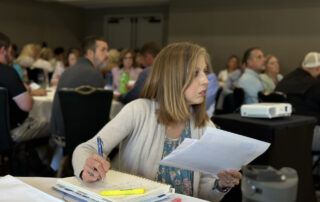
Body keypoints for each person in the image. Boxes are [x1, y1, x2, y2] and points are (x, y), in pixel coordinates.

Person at [72, 42, 242, 201]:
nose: (206, 80)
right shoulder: (138, 111)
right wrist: (87, 166)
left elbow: (200, 193)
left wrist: (220, 185)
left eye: (204, 71)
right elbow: (87, 148)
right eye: (196, 73)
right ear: (174, 77)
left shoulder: (204, 126)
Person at [50, 36, 108, 144]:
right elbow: (98, 115)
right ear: (90, 53)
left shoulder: (67, 72)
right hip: (77, 138)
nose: (107, 54)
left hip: (59, 134)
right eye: (103, 50)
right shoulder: (95, 75)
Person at [0, 32, 49, 142]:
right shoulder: (7, 72)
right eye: (10, 51)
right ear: (3, 50)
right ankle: (51, 159)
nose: (11, 54)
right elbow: (27, 106)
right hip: (12, 131)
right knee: (53, 127)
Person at [275, 52, 320, 151]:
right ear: (318, 68)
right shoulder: (315, 84)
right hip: (308, 134)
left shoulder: (284, 80)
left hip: (281, 134)